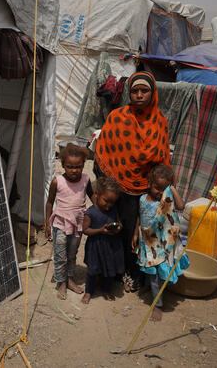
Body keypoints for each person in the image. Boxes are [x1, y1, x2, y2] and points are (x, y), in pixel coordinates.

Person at [93, 71, 171, 293]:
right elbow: (103, 151)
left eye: (144, 91)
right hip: (120, 187)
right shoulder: (117, 117)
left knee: (144, 233)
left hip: (148, 190)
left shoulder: (160, 121)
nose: (138, 95)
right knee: (120, 230)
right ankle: (117, 272)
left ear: (152, 93)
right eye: (135, 91)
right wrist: (105, 185)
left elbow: (164, 160)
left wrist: (162, 192)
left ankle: (139, 274)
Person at [134, 164, 189, 322]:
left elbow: (181, 206)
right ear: (150, 183)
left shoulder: (167, 201)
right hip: (147, 239)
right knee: (149, 270)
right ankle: (150, 289)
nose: (159, 193)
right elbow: (139, 215)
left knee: (157, 276)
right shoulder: (142, 199)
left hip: (162, 243)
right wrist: (135, 234)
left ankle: (158, 304)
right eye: (157, 188)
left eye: (163, 189)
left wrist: (171, 190)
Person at [45, 143, 94, 300]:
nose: (74, 170)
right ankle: (61, 282)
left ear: (83, 165)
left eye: (78, 167)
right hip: (60, 224)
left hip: (77, 224)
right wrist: (47, 223)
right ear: (63, 164)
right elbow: (49, 203)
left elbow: (93, 197)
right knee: (60, 255)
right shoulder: (57, 181)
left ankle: (70, 278)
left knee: (72, 253)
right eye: (70, 166)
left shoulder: (86, 180)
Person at [81, 177, 125, 304]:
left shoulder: (114, 209)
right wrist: (100, 230)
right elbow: (85, 230)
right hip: (96, 246)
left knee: (109, 269)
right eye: (106, 201)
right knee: (92, 270)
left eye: (112, 203)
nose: (108, 206)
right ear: (96, 194)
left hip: (111, 246)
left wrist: (118, 227)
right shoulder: (91, 213)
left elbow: (119, 222)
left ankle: (106, 289)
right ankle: (89, 291)